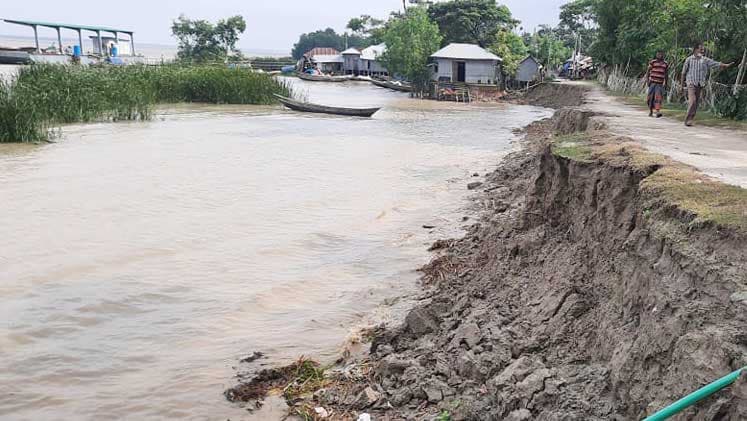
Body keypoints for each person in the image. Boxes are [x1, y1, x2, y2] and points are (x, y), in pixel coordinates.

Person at [681, 42, 734, 126]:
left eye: (703, 50)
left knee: (696, 102)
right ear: (695, 49)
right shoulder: (689, 59)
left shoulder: (704, 60)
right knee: (693, 101)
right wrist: (681, 85)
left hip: (700, 84)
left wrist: (725, 65)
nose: (702, 51)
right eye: (700, 49)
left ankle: (691, 118)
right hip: (691, 82)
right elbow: (683, 73)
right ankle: (687, 119)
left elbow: (715, 63)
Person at [645, 50, 669, 118]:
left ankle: (657, 111)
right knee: (650, 98)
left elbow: (666, 74)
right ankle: (651, 111)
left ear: (663, 55)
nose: (659, 56)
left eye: (661, 54)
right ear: (656, 55)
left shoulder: (665, 64)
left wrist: (666, 83)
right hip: (652, 83)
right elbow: (648, 71)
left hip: (659, 84)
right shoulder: (653, 62)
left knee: (658, 97)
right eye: (658, 54)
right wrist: (647, 81)